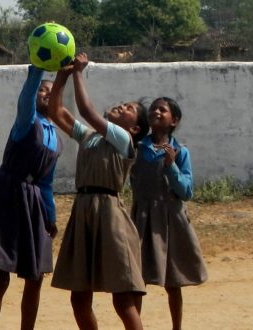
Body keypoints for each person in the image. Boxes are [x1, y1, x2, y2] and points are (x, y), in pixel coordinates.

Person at [48, 53, 149, 330]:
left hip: (109, 214)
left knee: (123, 300)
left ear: (135, 127)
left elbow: (87, 111)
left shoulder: (123, 139)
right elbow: (56, 111)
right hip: (84, 211)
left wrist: (79, 73)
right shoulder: (91, 137)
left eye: (128, 108)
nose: (120, 106)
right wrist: (62, 75)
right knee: (79, 297)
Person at [0, 65, 63, 330]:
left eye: (51, 91)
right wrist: (36, 72)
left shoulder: (57, 137)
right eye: (42, 91)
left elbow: (47, 182)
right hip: (6, 196)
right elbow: (25, 98)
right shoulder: (26, 123)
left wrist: (50, 216)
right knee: (1, 277)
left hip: (33, 202)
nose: (46, 93)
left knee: (35, 277)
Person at [130, 97, 208, 330]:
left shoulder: (180, 152)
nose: (156, 112)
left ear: (174, 120)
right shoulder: (137, 148)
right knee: (137, 281)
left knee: (173, 282)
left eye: (162, 110)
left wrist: (171, 166)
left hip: (171, 220)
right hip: (142, 219)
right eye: (153, 108)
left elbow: (186, 191)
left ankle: (177, 327)